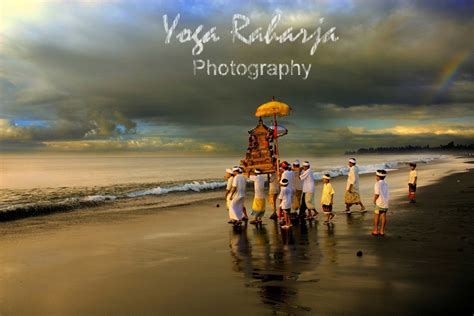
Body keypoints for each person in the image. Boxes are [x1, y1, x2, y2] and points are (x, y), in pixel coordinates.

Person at [372, 169, 389, 236]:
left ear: (378, 177)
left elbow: (377, 194)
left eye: (376, 176)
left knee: (377, 216)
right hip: (385, 202)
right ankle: (382, 231)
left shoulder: (377, 184)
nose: (375, 177)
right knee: (383, 216)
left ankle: (376, 230)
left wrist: (374, 200)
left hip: (379, 202)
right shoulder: (386, 184)